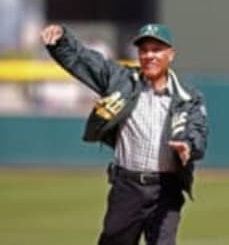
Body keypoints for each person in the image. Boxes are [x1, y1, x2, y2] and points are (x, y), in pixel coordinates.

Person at [40, 23, 208, 245]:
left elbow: (197, 131)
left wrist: (189, 146)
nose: (149, 55)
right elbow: (84, 61)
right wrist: (62, 39)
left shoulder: (187, 97)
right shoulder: (122, 81)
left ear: (171, 54)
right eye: (144, 50)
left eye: (156, 49)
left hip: (167, 188)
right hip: (128, 186)